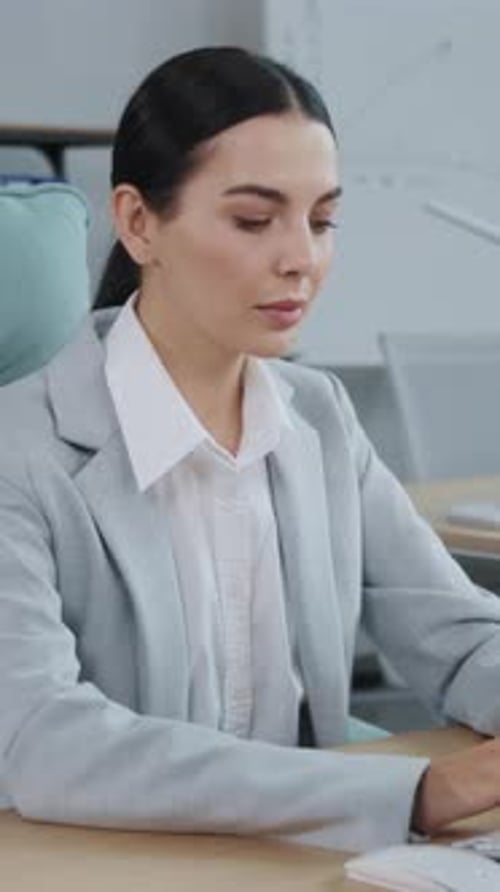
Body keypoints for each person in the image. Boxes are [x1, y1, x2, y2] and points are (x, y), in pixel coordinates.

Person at [2, 45, 500, 853]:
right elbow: (45, 741)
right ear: (137, 222)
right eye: (253, 220)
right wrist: (424, 791)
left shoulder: (318, 417)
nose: (301, 256)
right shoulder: (18, 452)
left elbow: (457, 632)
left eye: (323, 219)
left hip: (283, 861)